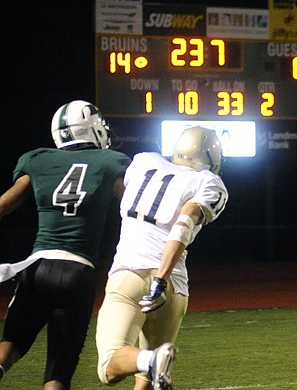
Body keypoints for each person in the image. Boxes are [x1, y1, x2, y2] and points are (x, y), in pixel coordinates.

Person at [0, 100, 130, 389]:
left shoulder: (37, 159)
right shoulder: (113, 162)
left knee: (9, 346)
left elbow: (3, 205)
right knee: (58, 372)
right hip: (78, 272)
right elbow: (132, 210)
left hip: (37, 269)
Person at [95, 126, 228, 390]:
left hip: (129, 275)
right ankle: (153, 361)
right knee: (147, 382)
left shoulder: (143, 161)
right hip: (173, 286)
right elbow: (186, 220)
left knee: (110, 366)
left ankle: (152, 359)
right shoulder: (209, 182)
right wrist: (161, 277)